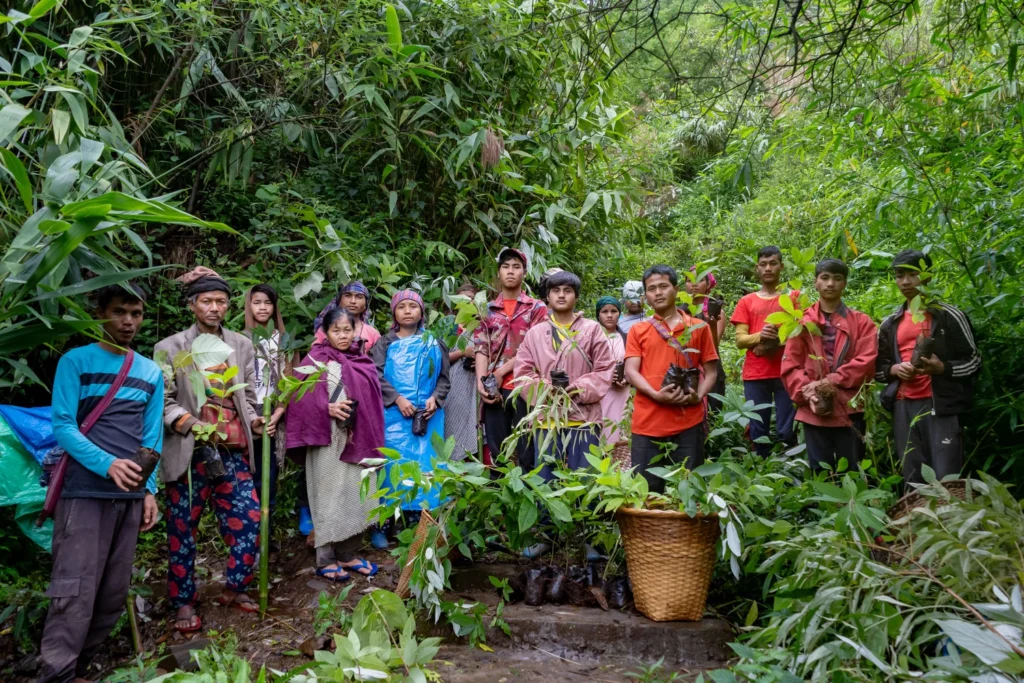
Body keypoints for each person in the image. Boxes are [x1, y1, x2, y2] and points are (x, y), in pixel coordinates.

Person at [39, 283, 163, 683]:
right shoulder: (76, 361)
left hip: (128, 497)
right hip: (83, 492)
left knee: (112, 591)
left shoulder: (150, 371)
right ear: (100, 312)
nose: (128, 321)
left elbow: (152, 439)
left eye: (136, 313)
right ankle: (57, 673)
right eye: (119, 312)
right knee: (73, 589)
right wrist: (107, 463)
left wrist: (150, 489)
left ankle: (79, 667)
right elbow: (63, 425)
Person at [155, 267, 266, 633]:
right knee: (182, 527)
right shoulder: (169, 348)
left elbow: (247, 395)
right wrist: (189, 422)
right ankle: (184, 601)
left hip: (231, 448)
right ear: (192, 306)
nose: (215, 307)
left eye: (221, 301)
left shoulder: (241, 344)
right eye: (207, 301)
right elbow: (163, 400)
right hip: (189, 452)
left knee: (249, 517)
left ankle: (235, 587)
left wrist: (255, 421)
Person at [286, 308, 386, 580]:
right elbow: (295, 401)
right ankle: (325, 557)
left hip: (358, 438)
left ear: (355, 331)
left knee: (358, 494)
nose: (342, 336)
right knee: (327, 496)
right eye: (336, 330)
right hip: (326, 439)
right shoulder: (314, 360)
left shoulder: (362, 361)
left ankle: (348, 553)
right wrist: (326, 408)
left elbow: (373, 404)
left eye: (347, 330)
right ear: (325, 333)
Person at [876, 249, 981, 485]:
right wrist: (894, 370)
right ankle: (916, 521)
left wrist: (942, 367)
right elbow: (878, 368)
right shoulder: (890, 323)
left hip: (941, 405)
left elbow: (974, 360)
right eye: (899, 275)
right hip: (903, 406)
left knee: (947, 477)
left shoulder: (948, 315)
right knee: (912, 477)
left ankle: (949, 520)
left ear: (927, 276)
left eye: (912, 274)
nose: (905, 282)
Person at [624, 266, 719, 492]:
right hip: (647, 423)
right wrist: (656, 394)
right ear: (645, 295)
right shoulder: (638, 330)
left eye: (663, 286)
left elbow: (711, 371)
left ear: (676, 290)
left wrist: (699, 396)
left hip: (688, 420)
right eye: (651, 289)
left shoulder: (699, 327)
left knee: (689, 490)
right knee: (647, 492)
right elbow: (631, 371)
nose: (657, 293)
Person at [515, 271, 616, 480]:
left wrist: (580, 387)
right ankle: (546, 515)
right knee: (546, 482)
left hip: (583, 418)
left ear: (576, 297)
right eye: (556, 291)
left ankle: (588, 514)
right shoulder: (535, 333)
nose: (561, 295)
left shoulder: (592, 329)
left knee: (585, 480)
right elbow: (523, 372)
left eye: (567, 291)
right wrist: (544, 390)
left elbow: (605, 368)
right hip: (546, 420)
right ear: (547, 297)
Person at [781, 259, 877, 472]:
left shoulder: (862, 323)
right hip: (813, 408)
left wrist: (826, 382)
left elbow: (865, 363)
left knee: (852, 469)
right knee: (820, 471)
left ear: (844, 284)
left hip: (849, 407)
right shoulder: (802, 323)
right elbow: (791, 365)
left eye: (837, 278)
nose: (830, 283)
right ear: (816, 282)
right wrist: (810, 395)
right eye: (825, 277)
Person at [373, 290, 451, 512]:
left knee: (428, 465)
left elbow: (444, 378)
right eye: (401, 307)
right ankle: (389, 519)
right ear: (394, 313)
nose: (407, 311)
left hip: (430, 416)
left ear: (422, 311)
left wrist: (435, 399)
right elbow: (375, 377)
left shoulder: (435, 342)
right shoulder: (383, 343)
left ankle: (424, 515)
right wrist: (397, 399)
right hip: (393, 416)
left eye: (413, 306)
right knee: (394, 466)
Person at [473, 247, 548, 467]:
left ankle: (528, 496)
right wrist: (481, 382)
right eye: (505, 267)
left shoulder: (536, 308)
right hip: (494, 389)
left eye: (516, 267)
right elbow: (481, 347)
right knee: (498, 449)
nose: (511, 271)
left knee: (528, 447)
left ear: (524, 272)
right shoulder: (486, 309)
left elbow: (532, 348)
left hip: (525, 385)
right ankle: (500, 497)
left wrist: (500, 373)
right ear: (498, 273)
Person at [730, 246, 798, 456]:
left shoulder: (793, 297)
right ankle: (760, 470)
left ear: (781, 266)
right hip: (756, 373)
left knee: (787, 429)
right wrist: (761, 336)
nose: (768, 268)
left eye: (773, 263)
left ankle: (791, 468)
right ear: (757, 269)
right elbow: (740, 340)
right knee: (758, 428)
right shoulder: (747, 301)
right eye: (763, 264)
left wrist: (772, 344)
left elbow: (801, 335)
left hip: (787, 371)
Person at [243, 284, 290, 539]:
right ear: (248, 306)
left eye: (268, 303)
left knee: (267, 479)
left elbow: (290, 381)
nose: (262, 307)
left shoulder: (283, 340)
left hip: (274, 413)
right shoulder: (239, 340)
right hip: (248, 413)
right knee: (247, 477)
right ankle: (246, 540)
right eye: (257, 302)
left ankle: (265, 540)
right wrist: (253, 416)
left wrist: (278, 412)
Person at [444, 282, 481, 461]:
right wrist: (462, 352)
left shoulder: (483, 325)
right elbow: (438, 359)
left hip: (476, 383)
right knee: (453, 425)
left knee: (475, 425)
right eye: (463, 300)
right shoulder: (449, 327)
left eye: (471, 299)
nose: (467, 302)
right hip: (453, 385)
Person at [686, 268, 727, 414]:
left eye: (700, 280)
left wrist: (712, 325)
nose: (694, 284)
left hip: (711, 368)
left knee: (712, 411)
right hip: (686, 367)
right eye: (689, 280)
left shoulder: (716, 311)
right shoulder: (680, 311)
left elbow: (714, 347)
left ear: (709, 284)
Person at [595, 295, 630, 445]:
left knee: (621, 430)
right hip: (600, 393)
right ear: (598, 314)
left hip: (622, 393)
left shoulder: (628, 338)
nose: (609, 315)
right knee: (601, 431)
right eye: (604, 311)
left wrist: (626, 378)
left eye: (614, 311)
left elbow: (634, 364)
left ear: (619, 313)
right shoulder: (591, 338)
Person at [313, 281, 382, 349]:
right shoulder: (325, 330)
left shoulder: (373, 334)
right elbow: (313, 356)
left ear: (365, 305)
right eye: (347, 295)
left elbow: (377, 358)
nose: (353, 301)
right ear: (339, 301)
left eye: (359, 297)